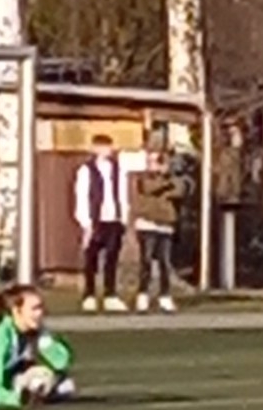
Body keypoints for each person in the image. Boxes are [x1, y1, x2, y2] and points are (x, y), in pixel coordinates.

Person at [0, 284, 76, 410]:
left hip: (8, 376)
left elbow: (61, 363)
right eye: (34, 309)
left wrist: (44, 339)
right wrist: (16, 399)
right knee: (40, 379)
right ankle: (29, 394)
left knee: (65, 385)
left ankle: (33, 392)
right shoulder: (0, 335)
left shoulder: (30, 330)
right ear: (16, 310)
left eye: (41, 308)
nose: (40, 313)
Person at [74, 134, 128, 312]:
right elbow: (81, 196)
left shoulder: (117, 169)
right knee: (91, 259)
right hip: (95, 220)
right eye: (103, 147)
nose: (107, 150)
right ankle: (89, 294)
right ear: (95, 148)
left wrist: (123, 217)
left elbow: (122, 193)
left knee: (112, 258)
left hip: (113, 219)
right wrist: (85, 222)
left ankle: (110, 294)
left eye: (108, 147)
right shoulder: (86, 170)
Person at [131, 145, 185, 313]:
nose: (155, 165)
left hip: (165, 224)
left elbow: (179, 190)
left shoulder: (171, 179)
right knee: (146, 261)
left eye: (159, 162)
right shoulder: (142, 178)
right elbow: (150, 189)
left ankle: (165, 296)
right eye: (152, 161)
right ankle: (143, 295)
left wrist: (167, 177)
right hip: (147, 223)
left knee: (165, 262)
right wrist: (165, 186)